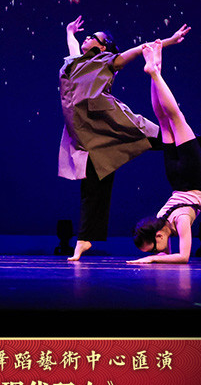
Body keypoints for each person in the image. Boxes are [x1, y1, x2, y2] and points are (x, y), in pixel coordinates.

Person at [59, 16, 190, 261]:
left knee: (165, 138)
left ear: (103, 47)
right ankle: (84, 239)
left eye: (93, 37)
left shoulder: (108, 61)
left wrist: (169, 41)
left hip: (110, 123)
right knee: (91, 186)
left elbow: (141, 49)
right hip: (88, 134)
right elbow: (73, 46)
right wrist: (69, 32)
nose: (87, 37)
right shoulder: (75, 62)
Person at [128, 40, 201, 264]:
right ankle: (155, 68)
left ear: (158, 235)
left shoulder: (180, 220)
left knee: (174, 118)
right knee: (165, 121)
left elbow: (183, 257)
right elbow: (173, 254)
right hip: (176, 178)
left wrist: (153, 260)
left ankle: (155, 71)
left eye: (153, 248)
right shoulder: (161, 219)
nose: (157, 252)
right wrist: (157, 257)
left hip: (191, 179)